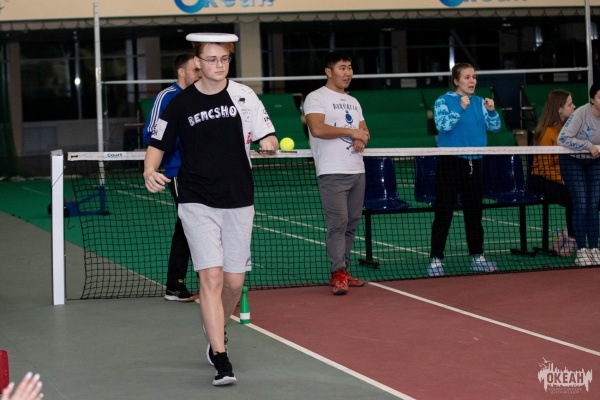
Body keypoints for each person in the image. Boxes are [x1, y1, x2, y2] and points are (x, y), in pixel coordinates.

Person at [143, 32, 278, 386]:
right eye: (212, 59)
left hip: (238, 197)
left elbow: (267, 134)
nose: (219, 65)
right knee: (212, 278)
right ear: (197, 62)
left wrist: (269, 142)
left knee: (233, 281)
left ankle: (216, 326)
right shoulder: (180, 104)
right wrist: (149, 170)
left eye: (225, 59)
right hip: (195, 198)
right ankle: (221, 357)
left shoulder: (244, 96)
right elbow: (157, 143)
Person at [303, 51, 370, 295]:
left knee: (351, 224)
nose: (348, 73)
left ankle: (343, 270)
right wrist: (352, 133)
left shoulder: (354, 101)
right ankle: (337, 272)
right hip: (332, 172)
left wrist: (361, 138)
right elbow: (317, 129)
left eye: (350, 68)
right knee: (338, 224)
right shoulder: (316, 98)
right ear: (328, 72)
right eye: (342, 68)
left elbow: (364, 131)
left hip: (357, 171)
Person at [427, 62, 501, 277]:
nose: (472, 81)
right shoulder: (443, 101)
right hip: (450, 163)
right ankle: (435, 260)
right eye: (467, 77)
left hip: (474, 163)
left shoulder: (480, 102)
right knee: (444, 213)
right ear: (456, 80)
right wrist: (460, 107)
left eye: (474, 77)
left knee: (474, 213)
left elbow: (495, 128)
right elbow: (443, 125)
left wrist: (492, 111)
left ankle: (478, 257)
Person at [143, 53, 202, 302]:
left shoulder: (202, 96)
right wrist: (185, 139)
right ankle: (183, 284)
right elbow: (151, 134)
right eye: (195, 70)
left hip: (205, 172)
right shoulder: (167, 97)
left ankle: (176, 285)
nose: (200, 74)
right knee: (192, 224)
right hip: (179, 171)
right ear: (181, 72)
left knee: (190, 225)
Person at [557, 83, 600, 266]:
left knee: (593, 205)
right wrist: (588, 146)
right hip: (573, 161)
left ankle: (594, 248)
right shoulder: (581, 114)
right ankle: (581, 250)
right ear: (592, 100)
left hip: (595, 162)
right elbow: (562, 138)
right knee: (581, 204)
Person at [529, 89, 576, 253]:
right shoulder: (547, 133)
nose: (574, 107)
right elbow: (543, 169)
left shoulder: (569, 130)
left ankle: (578, 236)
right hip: (540, 180)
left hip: (562, 178)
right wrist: (564, 180)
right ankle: (572, 239)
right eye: (570, 104)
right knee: (573, 197)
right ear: (559, 109)